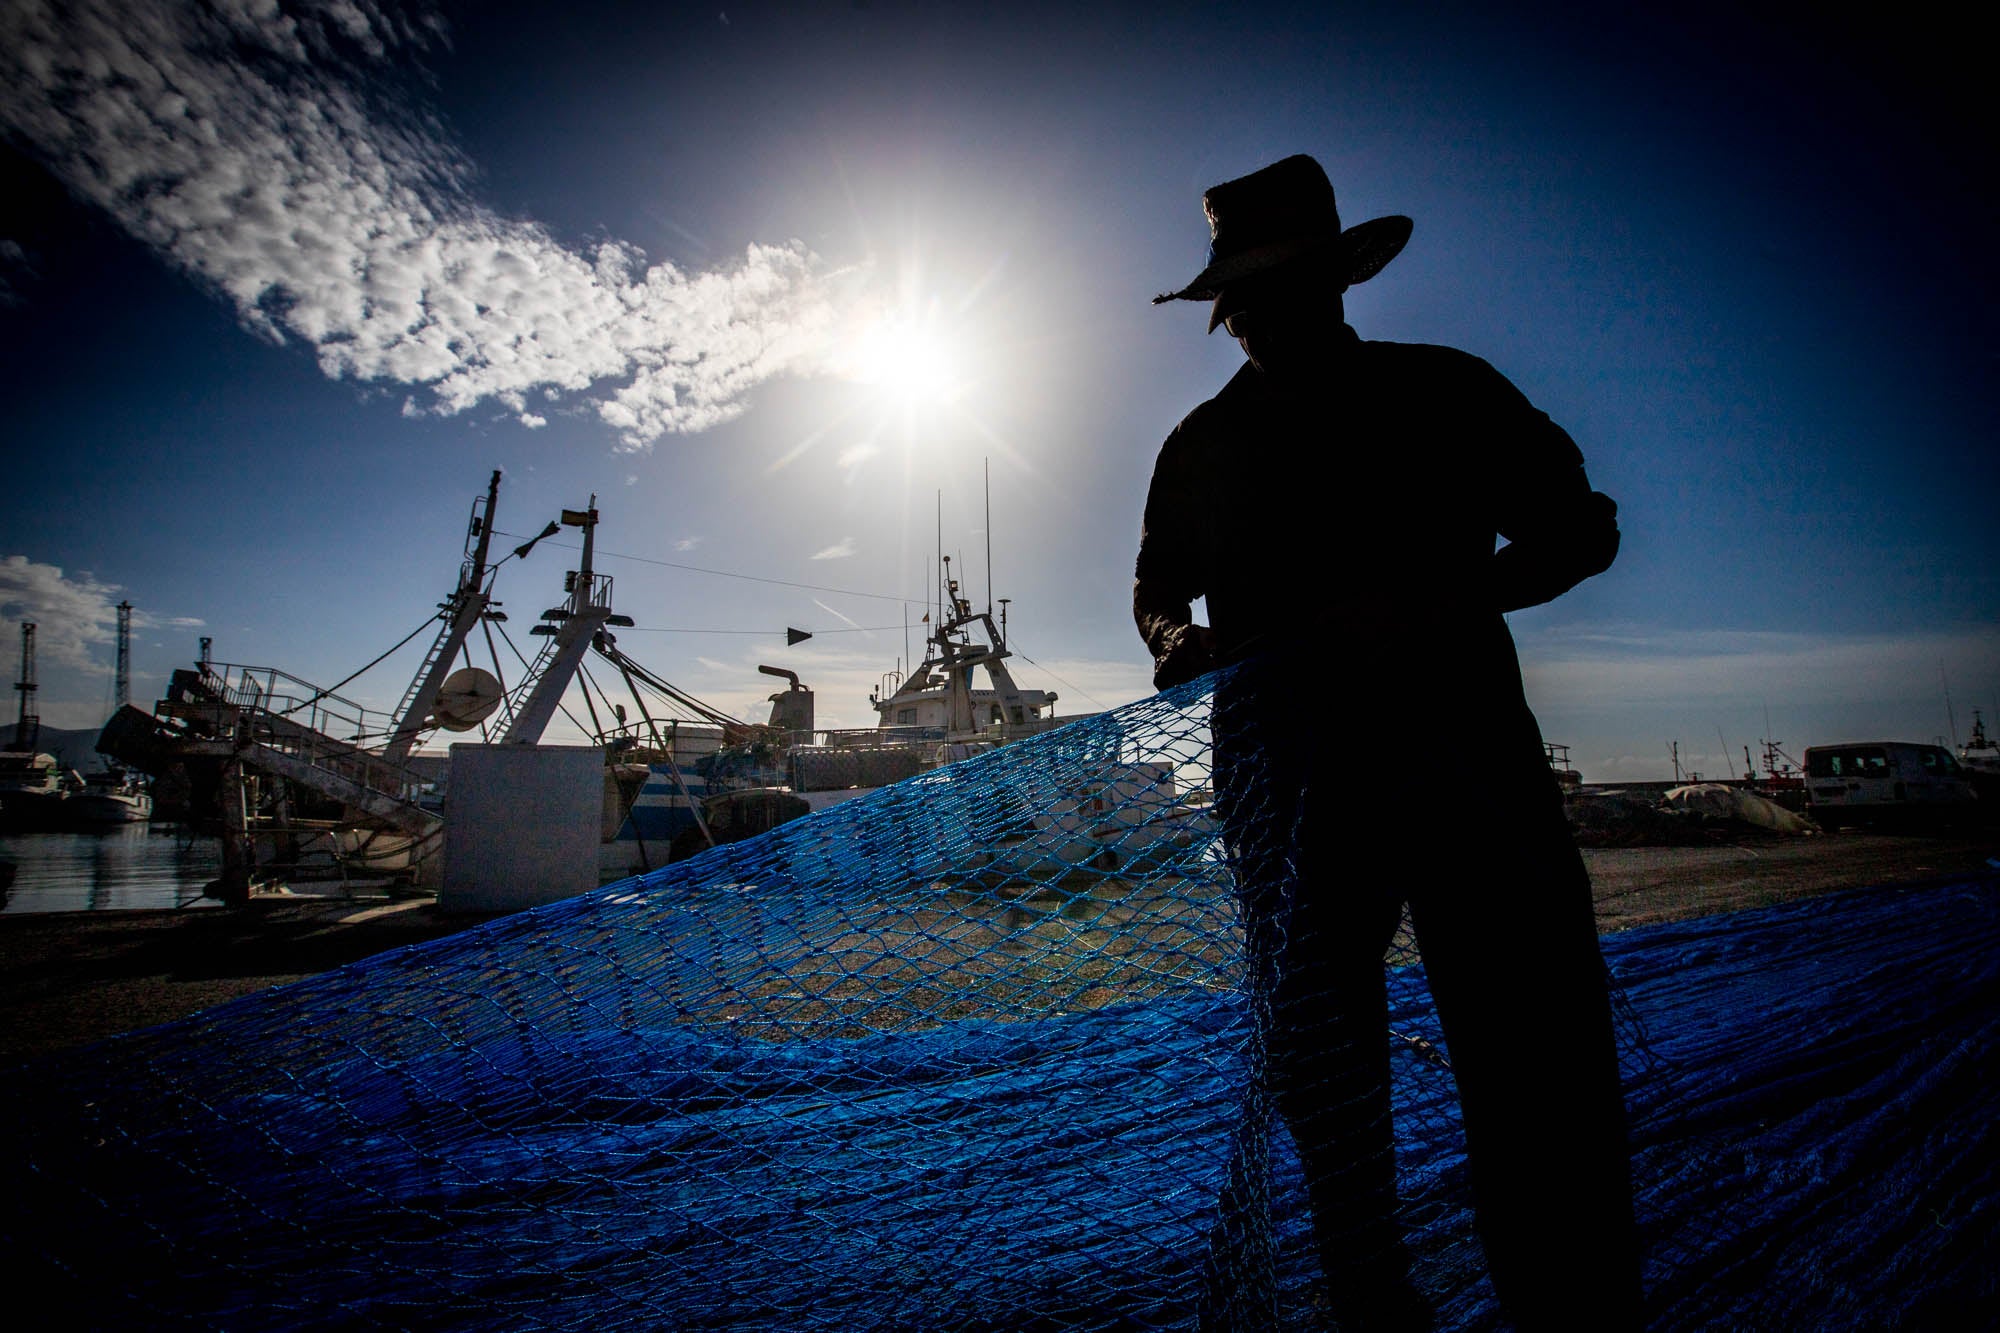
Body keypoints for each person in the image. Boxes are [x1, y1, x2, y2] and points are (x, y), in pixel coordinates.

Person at [1134, 155, 1640, 1330]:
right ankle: (1372, 1303)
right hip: (1282, 788)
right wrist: (1173, 640)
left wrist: (1438, 602)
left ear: (1334, 283)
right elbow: (1157, 588)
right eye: (1236, 302)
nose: (1251, 318)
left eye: (1274, 290)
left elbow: (1579, 533)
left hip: (1464, 768)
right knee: (1322, 1074)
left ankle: (1572, 1305)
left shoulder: (1445, 393)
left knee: (1532, 1063)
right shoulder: (1196, 447)